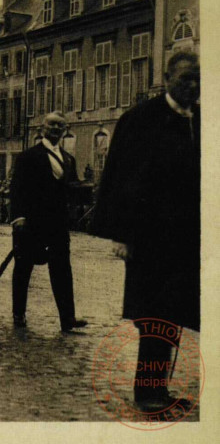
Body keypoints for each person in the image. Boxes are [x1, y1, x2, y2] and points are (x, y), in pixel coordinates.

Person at [91, 51, 200, 412]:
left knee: (173, 315)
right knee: (154, 316)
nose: (193, 86)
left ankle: (158, 389)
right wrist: (122, 235)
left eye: (198, 78)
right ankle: (148, 392)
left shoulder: (199, 121)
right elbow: (121, 180)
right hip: (149, 239)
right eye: (186, 78)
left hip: (185, 240)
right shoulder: (141, 120)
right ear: (167, 77)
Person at [9, 111, 87, 333]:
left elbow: (71, 188)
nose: (55, 129)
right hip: (31, 223)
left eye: (60, 126)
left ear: (65, 130)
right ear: (43, 128)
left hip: (58, 225)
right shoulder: (28, 156)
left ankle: (67, 317)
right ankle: (19, 312)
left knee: (62, 269)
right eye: (51, 125)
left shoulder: (68, 159)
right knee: (24, 268)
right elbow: (17, 189)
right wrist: (18, 217)